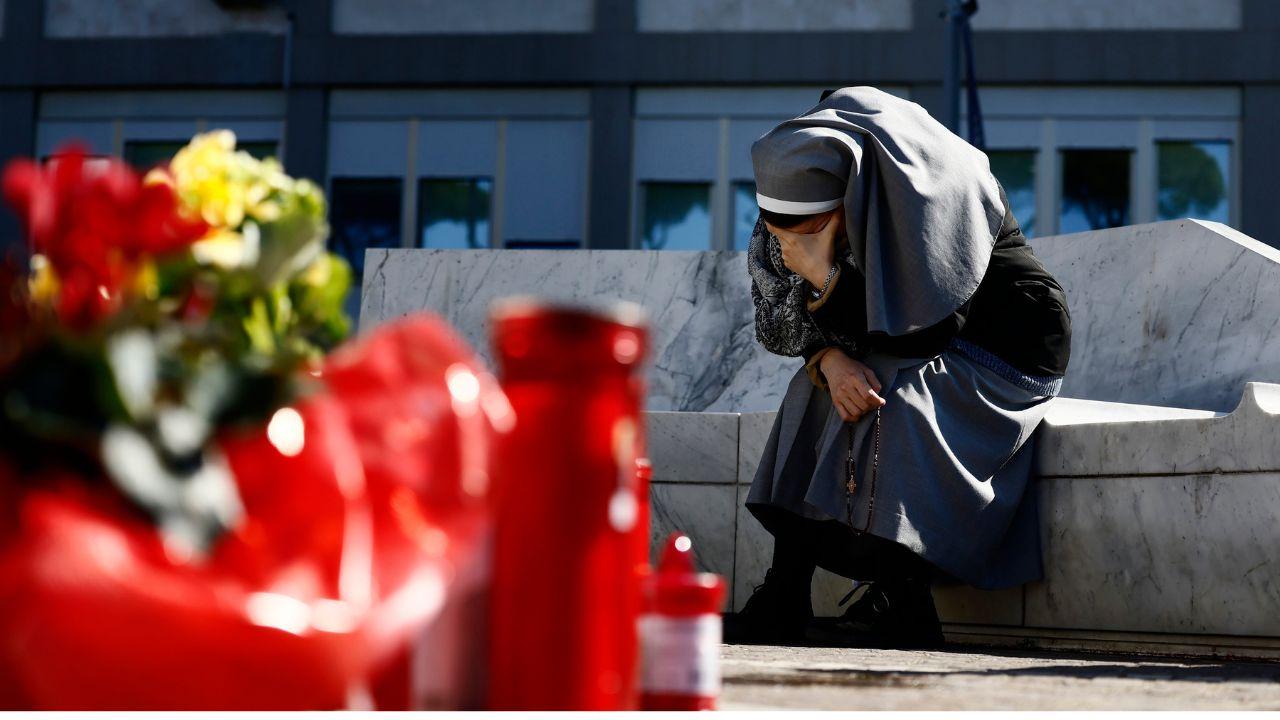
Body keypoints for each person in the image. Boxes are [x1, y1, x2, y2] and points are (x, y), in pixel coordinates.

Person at [726, 86, 1071, 648]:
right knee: (816, 391)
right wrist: (828, 358)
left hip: (1003, 345)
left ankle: (902, 598)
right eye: (778, 226)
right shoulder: (793, 185)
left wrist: (823, 276)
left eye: (811, 227)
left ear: (847, 199)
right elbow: (778, 326)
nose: (788, 239)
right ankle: (785, 590)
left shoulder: (926, 185)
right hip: (899, 342)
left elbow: (927, 330)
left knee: (887, 395)